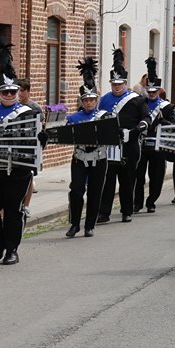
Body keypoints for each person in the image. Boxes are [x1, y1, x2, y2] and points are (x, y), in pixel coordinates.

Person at [0, 42, 42, 265]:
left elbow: (36, 138)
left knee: (14, 209)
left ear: (17, 92)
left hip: (18, 168)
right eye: (4, 91)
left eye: (12, 91)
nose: (8, 94)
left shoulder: (30, 112)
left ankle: (11, 249)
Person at [97, 47, 150, 224]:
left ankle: (126, 210)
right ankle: (104, 212)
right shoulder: (104, 99)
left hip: (129, 143)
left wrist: (139, 128)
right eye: (114, 84)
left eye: (119, 84)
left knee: (127, 179)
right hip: (110, 144)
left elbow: (146, 117)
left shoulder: (136, 99)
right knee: (108, 179)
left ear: (125, 83)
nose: (116, 87)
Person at [65, 58, 107, 238]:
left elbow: (112, 133)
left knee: (95, 192)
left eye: (92, 99)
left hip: (99, 157)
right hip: (79, 158)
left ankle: (90, 225)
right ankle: (74, 223)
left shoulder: (106, 116)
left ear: (96, 99)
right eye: (86, 100)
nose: (89, 103)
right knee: (76, 191)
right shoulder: (74, 117)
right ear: (81, 100)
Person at [134, 58, 175, 214]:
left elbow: (172, 126)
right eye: (149, 91)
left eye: (154, 91)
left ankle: (151, 201)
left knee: (156, 176)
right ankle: (137, 203)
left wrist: (163, 121)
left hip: (158, 146)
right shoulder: (139, 103)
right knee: (138, 176)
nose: (151, 94)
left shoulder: (167, 106)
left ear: (159, 91)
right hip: (141, 144)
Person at [16, 79, 42, 216]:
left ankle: (26, 204)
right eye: (18, 90)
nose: (20, 93)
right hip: (18, 144)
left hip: (30, 144)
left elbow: (39, 128)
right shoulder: (15, 107)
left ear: (27, 91)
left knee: (30, 176)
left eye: (22, 90)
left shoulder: (34, 107)